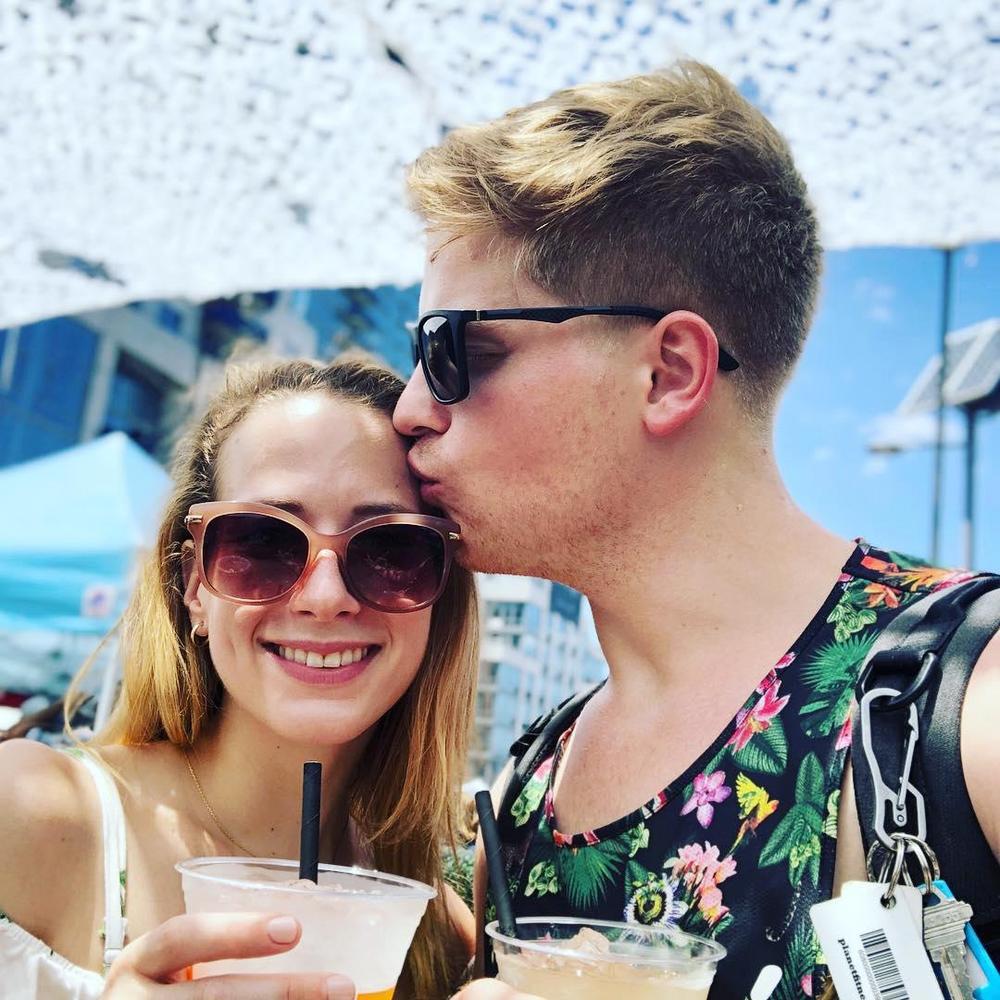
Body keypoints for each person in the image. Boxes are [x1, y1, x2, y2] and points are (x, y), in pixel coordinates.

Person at [391, 61, 1000, 997]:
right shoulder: (524, 794)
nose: (409, 408)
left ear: (669, 371)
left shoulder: (965, 708)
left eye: (458, 350)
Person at [0, 356, 480, 999]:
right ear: (195, 587)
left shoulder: (435, 930)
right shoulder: (30, 812)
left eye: (390, 549)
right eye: (262, 544)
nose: (326, 598)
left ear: (440, 593)